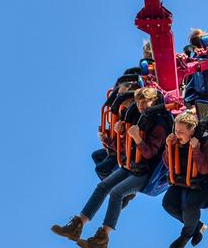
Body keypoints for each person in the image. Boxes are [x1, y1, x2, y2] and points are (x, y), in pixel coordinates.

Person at [51, 87, 170, 248]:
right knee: (102, 186)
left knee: (116, 193)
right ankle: (78, 225)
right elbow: (127, 148)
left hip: (147, 172)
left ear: (154, 101)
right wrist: (118, 136)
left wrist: (136, 138)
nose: (140, 105)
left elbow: (149, 153)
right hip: (132, 164)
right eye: (139, 102)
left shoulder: (159, 124)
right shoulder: (142, 118)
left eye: (145, 102)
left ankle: (103, 237)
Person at [162, 112, 208, 248]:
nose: (177, 134)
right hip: (182, 180)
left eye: (181, 132)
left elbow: (204, 169)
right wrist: (169, 148)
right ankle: (197, 226)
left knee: (189, 207)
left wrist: (196, 149)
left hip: (201, 183)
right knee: (168, 204)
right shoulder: (176, 141)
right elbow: (168, 163)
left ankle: (184, 237)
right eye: (175, 131)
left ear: (192, 131)